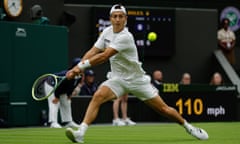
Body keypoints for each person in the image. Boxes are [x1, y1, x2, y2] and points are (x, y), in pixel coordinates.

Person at [65, 4, 209, 143]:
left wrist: (80, 67)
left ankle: (189, 127)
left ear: (125, 19)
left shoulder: (126, 37)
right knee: (98, 96)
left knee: (164, 109)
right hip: (117, 79)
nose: (117, 19)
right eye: (114, 16)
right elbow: (93, 51)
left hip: (137, 80)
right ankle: (80, 133)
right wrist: (78, 67)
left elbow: (104, 56)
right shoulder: (106, 32)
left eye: (121, 16)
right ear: (110, 18)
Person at [46, 58, 82, 128]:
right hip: (51, 83)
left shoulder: (80, 76)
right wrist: (56, 96)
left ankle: (68, 122)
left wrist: (69, 94)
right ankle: (53, 123)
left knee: (67, 102)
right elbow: (60, 85)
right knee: (54, 102)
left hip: (62, 87)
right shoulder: (68, 74)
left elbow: (73, 85)